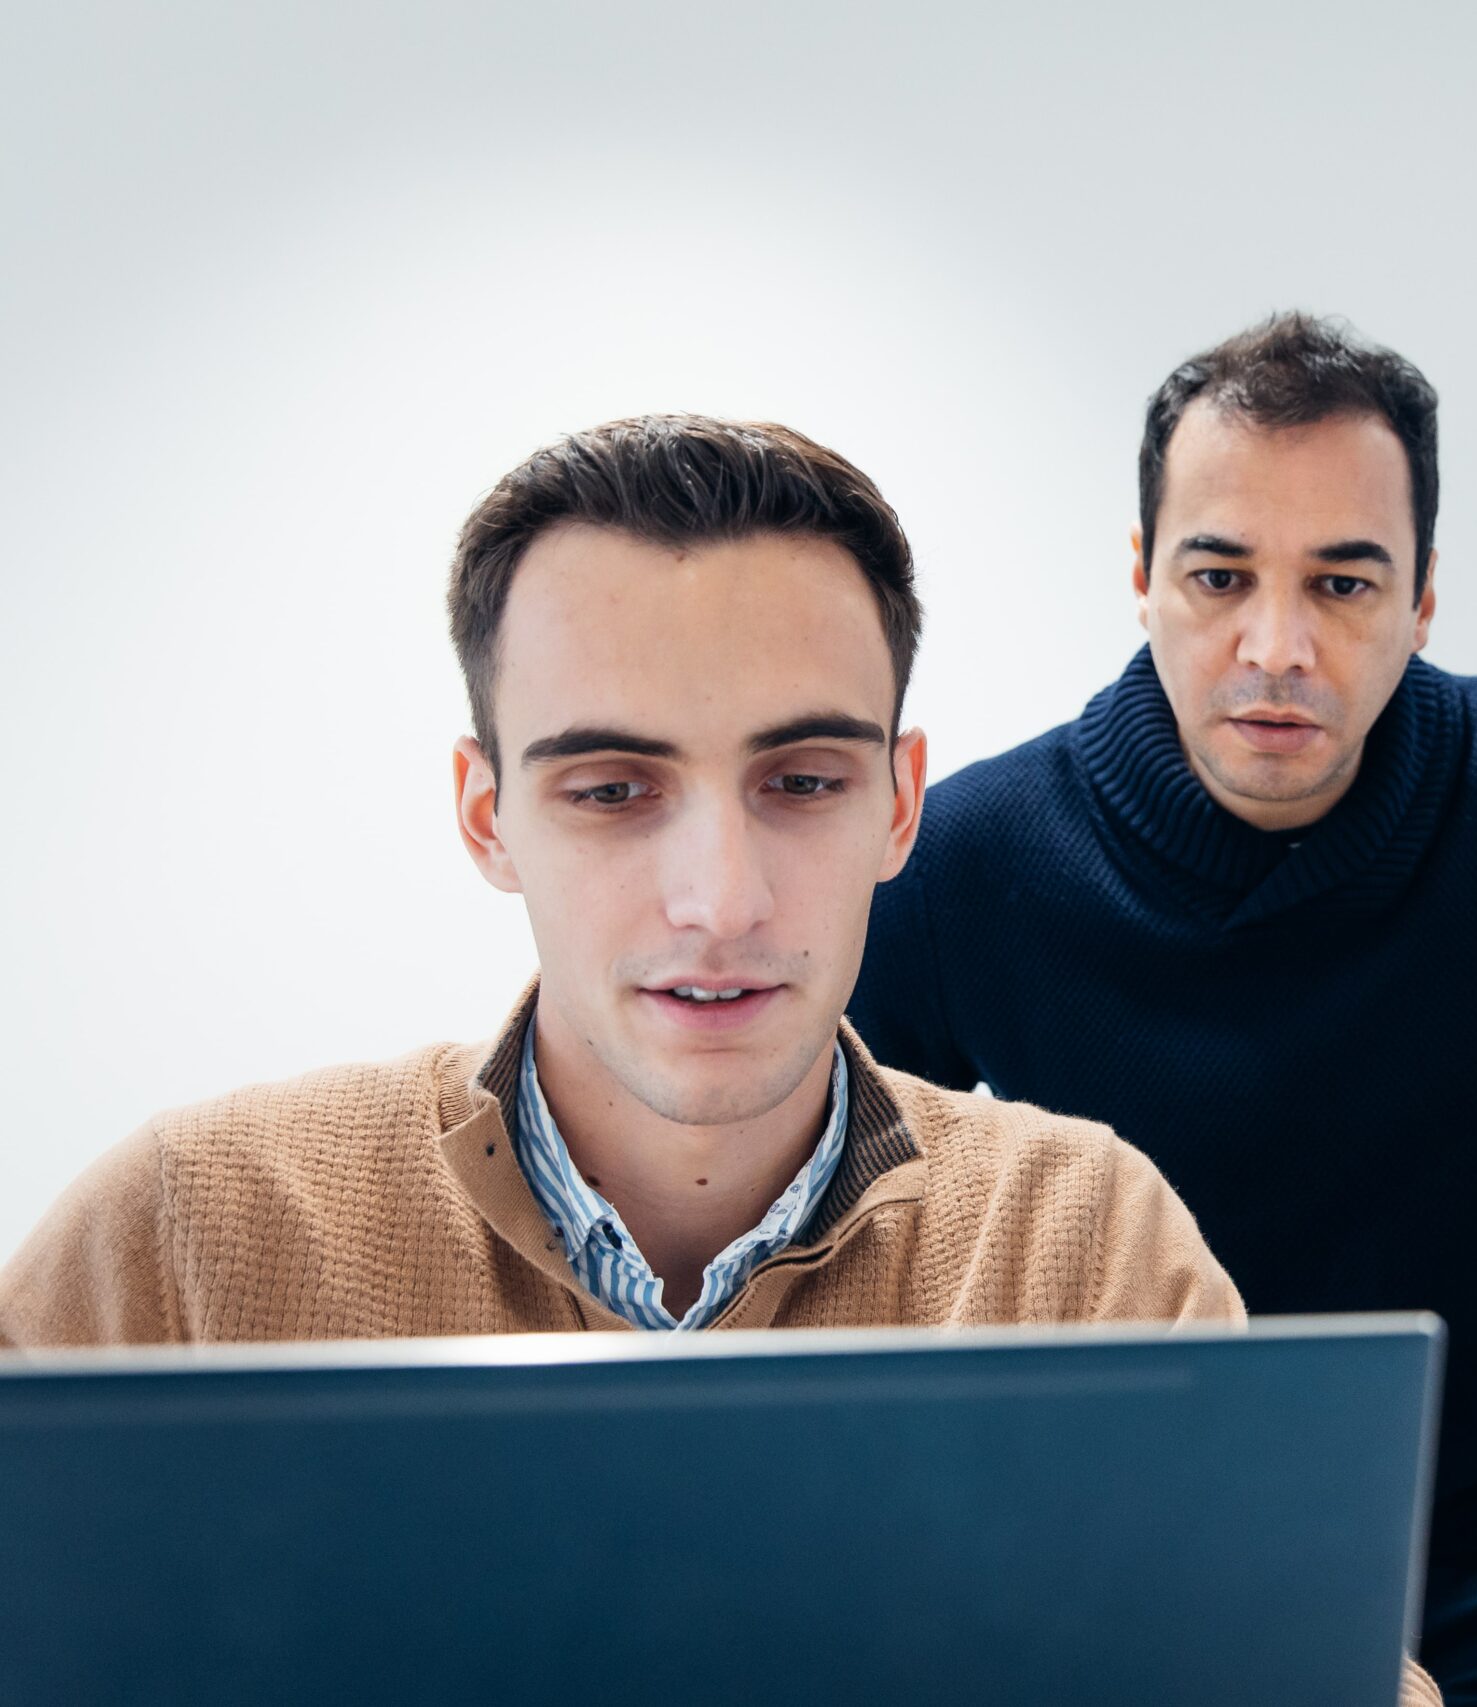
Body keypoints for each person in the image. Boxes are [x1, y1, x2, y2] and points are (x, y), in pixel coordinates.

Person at [847, 312, 1477, 1706]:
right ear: (1141, 577)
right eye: (1219, 574)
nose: (1277, 643)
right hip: (1108, 1596)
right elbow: (825, 1291)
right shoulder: (966, 856)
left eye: (1343, 583)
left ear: (1425, 596)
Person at [0, 414, 1243, 1348]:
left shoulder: (1080, 1256)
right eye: (610, 791)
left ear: (900, 806)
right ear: (486, 818)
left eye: (802, 783)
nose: (719, 902)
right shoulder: (191, 1244)